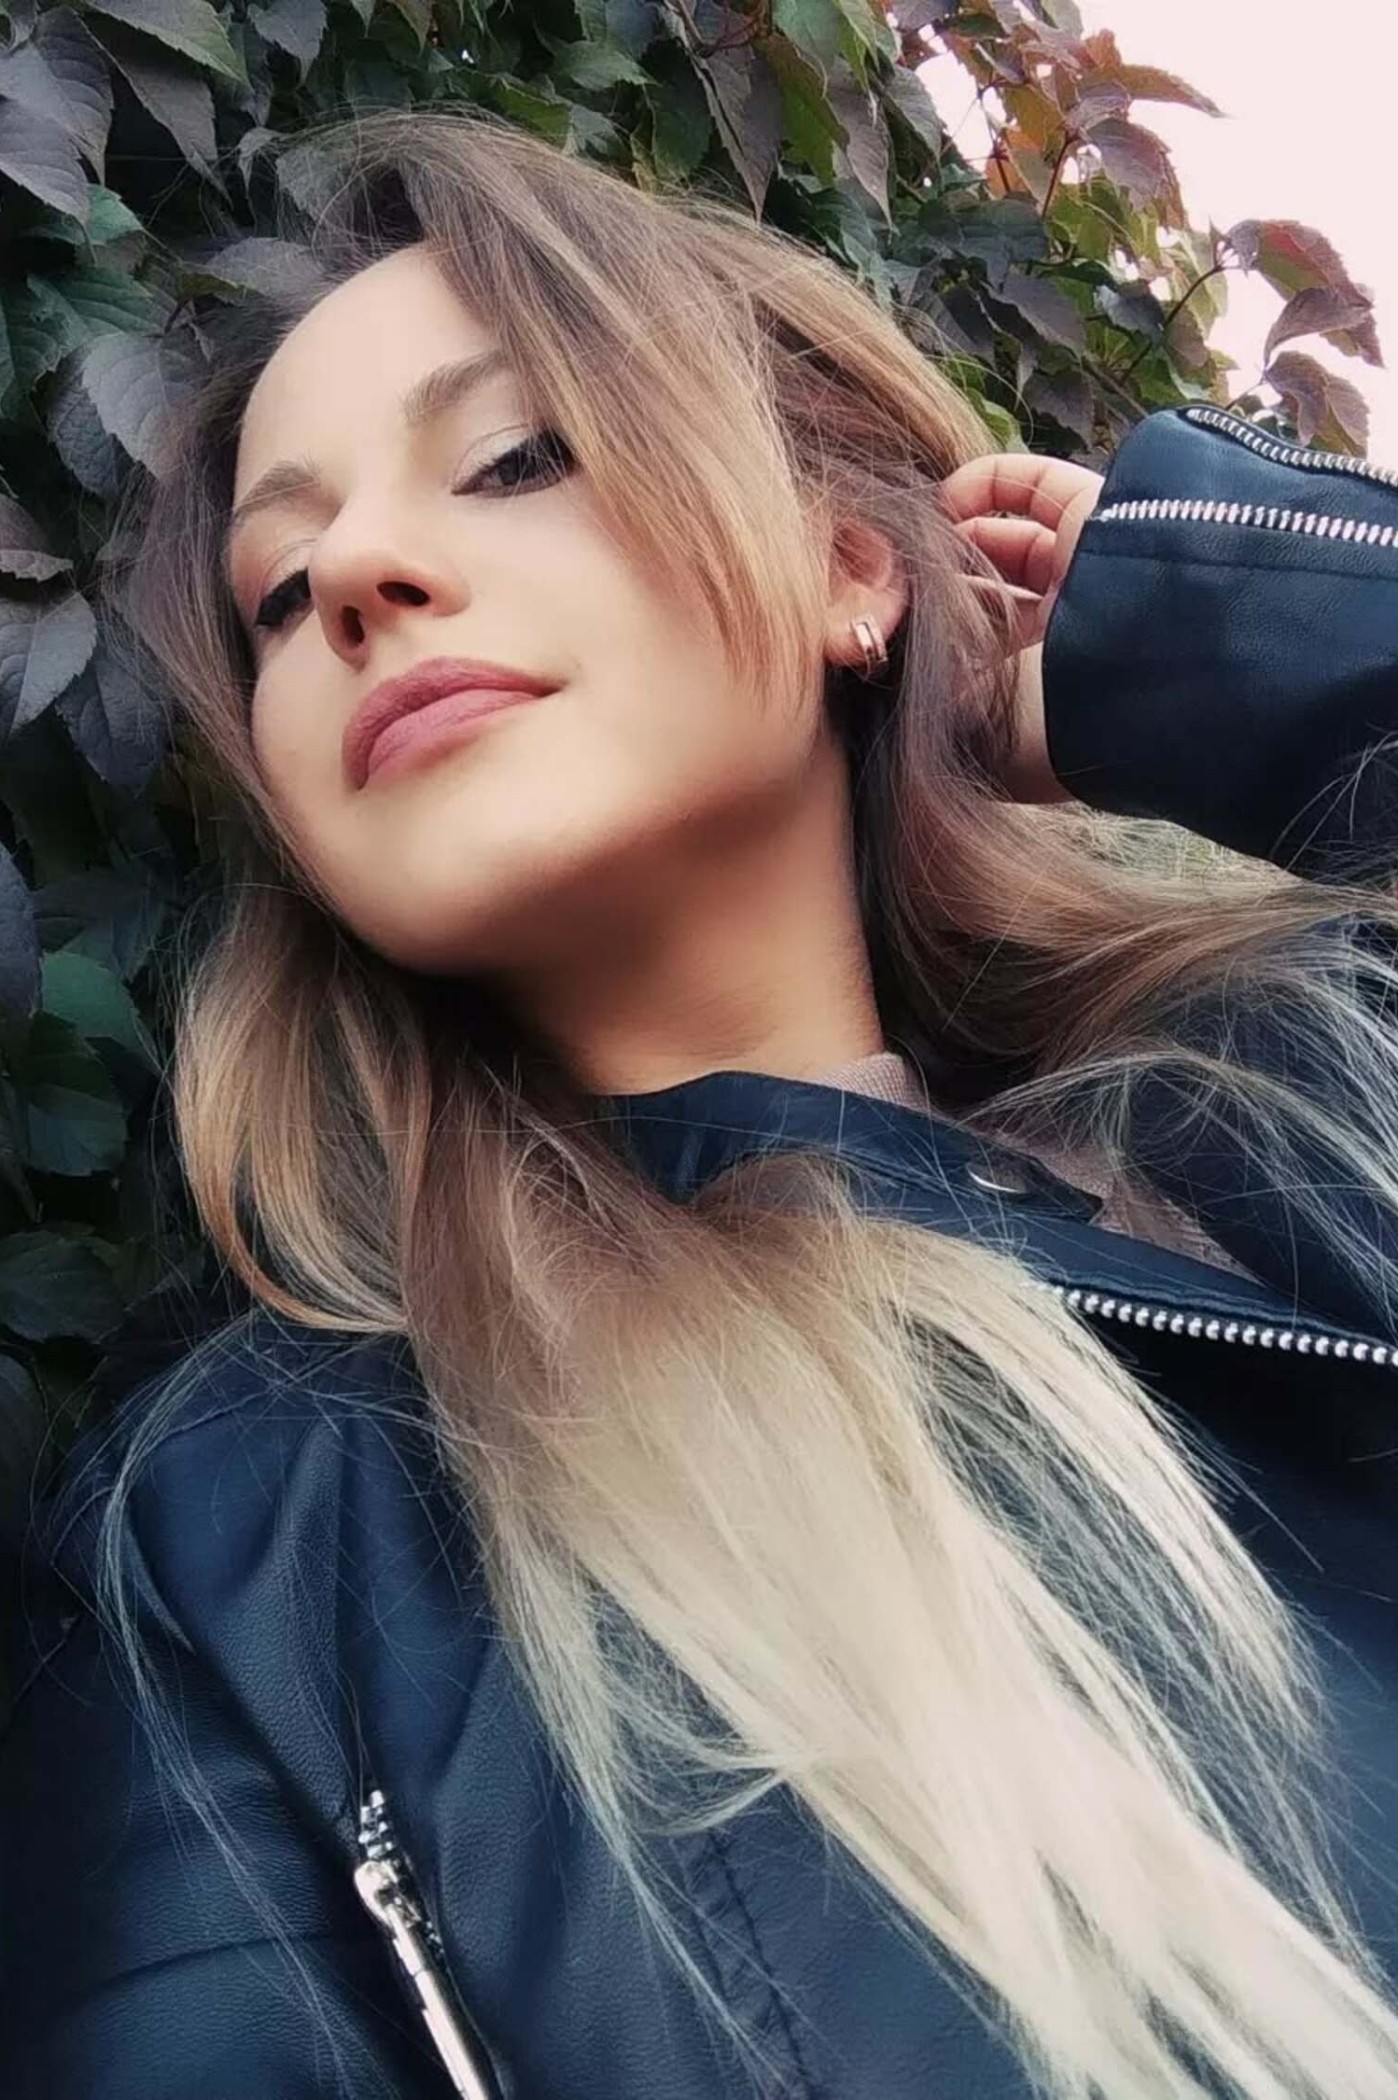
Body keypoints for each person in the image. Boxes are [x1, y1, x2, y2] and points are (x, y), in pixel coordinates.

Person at [3, 102, 1398, 2100]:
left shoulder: (1324, 1118)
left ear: (849, 570)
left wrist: (1214, 637)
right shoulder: (249, 1544)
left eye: (513, 457)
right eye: (278, 589)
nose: (361, 577)